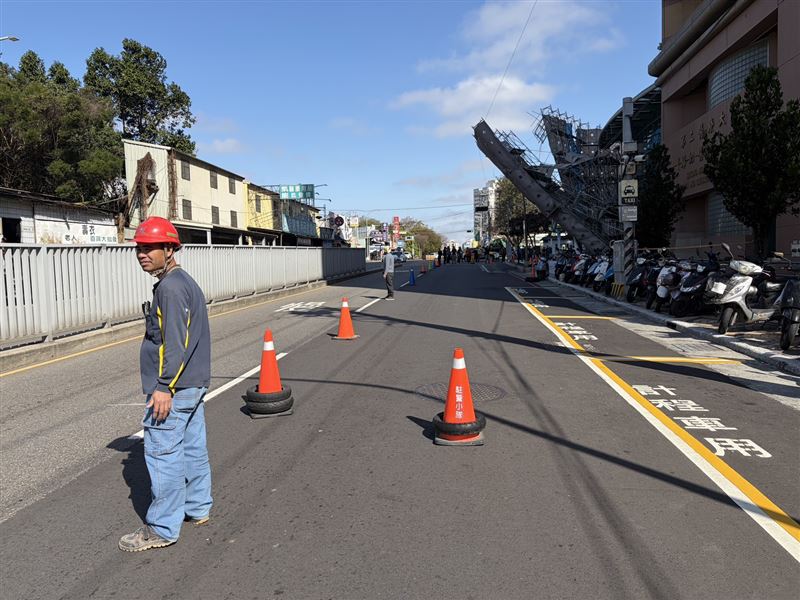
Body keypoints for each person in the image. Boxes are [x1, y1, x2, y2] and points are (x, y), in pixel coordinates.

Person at [119, 217, 212, 552]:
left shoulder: (171, 288)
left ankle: (161, 528)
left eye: (150, 248)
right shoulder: (182, 282)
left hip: (173, 388)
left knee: (163, 456)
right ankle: (198, 507)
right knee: (192, 447)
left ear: (170, 249)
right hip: (192, 385)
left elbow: (176, 343)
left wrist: (163, 387)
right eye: (139, 248)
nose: (142, 254)